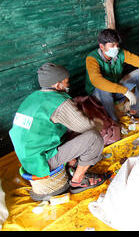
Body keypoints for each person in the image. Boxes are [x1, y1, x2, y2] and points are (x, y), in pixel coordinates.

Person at [9, 63, 108, 197]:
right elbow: (87, 127)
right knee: (94, 138)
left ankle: (72, 163)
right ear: (57, 85)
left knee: (68, 131)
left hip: (27, 157)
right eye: (66, 82)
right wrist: (98, 123)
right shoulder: (58, 103)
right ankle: (78, 180)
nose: (68, 85)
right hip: (42, 160)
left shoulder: (32, 98)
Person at [85, 29, 139, 122]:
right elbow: (97, 81)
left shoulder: (120, 53)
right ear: (102, 46)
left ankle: (138, 109)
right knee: (103, 89)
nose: (115, 48)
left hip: (116, 89)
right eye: (112, 45)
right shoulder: (92, 59)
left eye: (117, 45)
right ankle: (114, 121)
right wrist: (125, 91)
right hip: (99, 95)